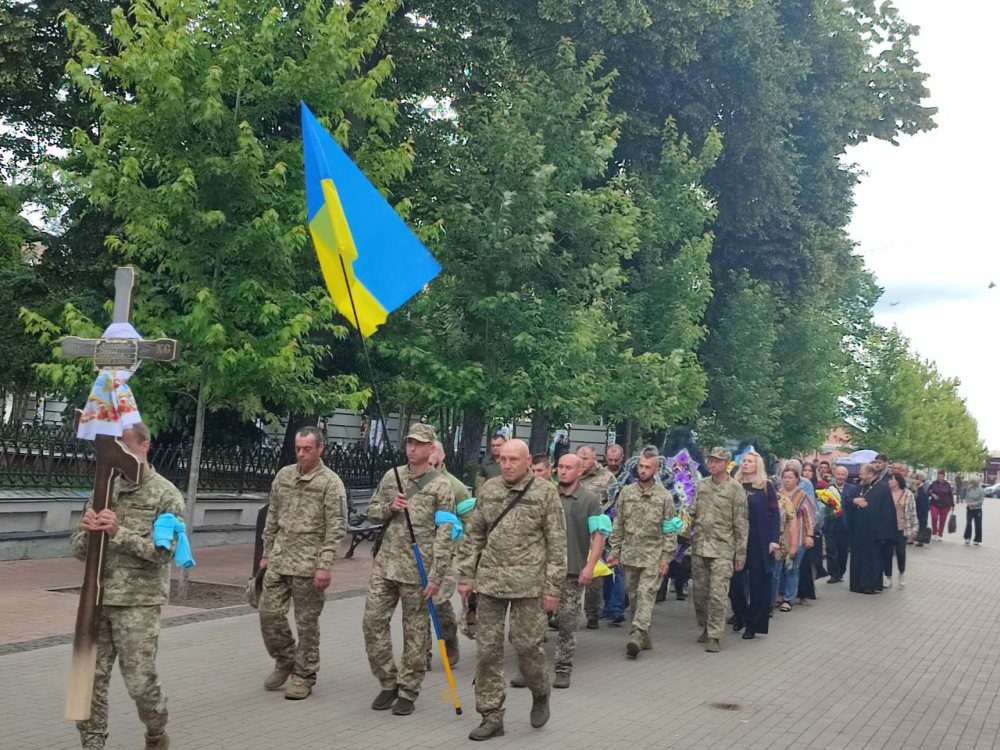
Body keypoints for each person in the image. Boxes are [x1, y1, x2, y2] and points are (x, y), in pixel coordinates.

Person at [70, 423, 184, 750]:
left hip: (138, 603)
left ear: (144, 446)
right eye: (113, 446)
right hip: (96, 600)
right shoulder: (104, 488)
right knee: (89, 681)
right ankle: (92, 744)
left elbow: (165, 553)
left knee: (140, 684)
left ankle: (156, 730)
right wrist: (87, 533)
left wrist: (119, 533)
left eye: (124, 445)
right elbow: (77, 549)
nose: (116, 454)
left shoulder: (166, 495)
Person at [457, 439, 567, 741]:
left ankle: (540, 691)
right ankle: (491, 715)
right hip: (490, 582)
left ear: (528, 461)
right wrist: (465, 575)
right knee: (487, 651)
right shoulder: (489, 489)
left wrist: (553, 587)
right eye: (502, 459)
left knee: (527, 648)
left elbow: (557, 544)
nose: (506, 465)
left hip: (528, 585)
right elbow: (474, 534)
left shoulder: (545, 493)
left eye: (513, 460)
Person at [363, 424, 455, 716]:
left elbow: (445, 533)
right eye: (409, 443)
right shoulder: (392, 476)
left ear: (431, 449)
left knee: (415, 632)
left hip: (418, 569)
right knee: (372, 622)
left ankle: (408, 689)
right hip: (386, 565)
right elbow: (371, 512)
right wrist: (390, 507)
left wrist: (437, 574)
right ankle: (388, 680)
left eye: (419, 444)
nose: (412, 448)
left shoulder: (441, 486)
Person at [259, 426, 347, 700]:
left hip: (309, 564)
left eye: (307, 449)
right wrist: (266, 553)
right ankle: (286, 658)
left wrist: (325, 565)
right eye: (298, 448)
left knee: (306, 623)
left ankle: (304, 676)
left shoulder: (330, 483)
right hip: (279, 559)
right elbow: (272, 516)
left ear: (320, 448)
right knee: (268, 613)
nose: (301, 454)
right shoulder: (284, 476)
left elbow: (336, 527)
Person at [514, 453, 606, 687]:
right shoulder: (547, 495)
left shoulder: (590, 500)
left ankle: (563, 668)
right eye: (561, 467)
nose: (563, 471)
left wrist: (590, 566)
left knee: (567, 622)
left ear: (580, 471)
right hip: (541, 570)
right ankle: (529, 669)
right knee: (533, 623)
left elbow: (599, 535)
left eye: (569, 467)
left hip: (572, 571)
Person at [606, 447, 678, 658]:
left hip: (653, 556)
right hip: (630, 555)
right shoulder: (627, 493)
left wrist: (666, 557)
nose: (643, 470)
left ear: (656, 470)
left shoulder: (664, 497)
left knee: (646, 594)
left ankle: (637, 635)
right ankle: (643, 636)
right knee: (634, 597)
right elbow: (618, 523)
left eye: (647, 467)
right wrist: (615, 550)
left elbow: (670, 529)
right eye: (641, 466)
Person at [690, 447, 748, 652]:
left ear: (726, 464)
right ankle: (706, 625)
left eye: (716, 461)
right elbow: (692, 512)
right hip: (700, 547)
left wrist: (740, 554)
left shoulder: (735, 489)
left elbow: (741, 524)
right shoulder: (702, 485)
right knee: (700, 594)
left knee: (718, 594)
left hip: (723, 549)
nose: (712, 464)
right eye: (710, 460)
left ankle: (715, 635)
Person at [425, 440, 470, 667]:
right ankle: (421, 653)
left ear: (441, 456)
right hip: (419, 554)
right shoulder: (411, 482)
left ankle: (449, 639)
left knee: (438, 601)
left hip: (448, 555)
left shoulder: (456, 487)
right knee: (418, 605)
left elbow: (471, 523)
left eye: (432, 451)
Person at [728, 451, 779, 639]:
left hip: (759, 541)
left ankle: (753, 624)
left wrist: (773, 539)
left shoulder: (765, 486)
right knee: (735, 582)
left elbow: (775, 515)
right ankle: (740, 614)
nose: (746, 464)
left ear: (757, 465)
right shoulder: (734, 485)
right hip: (736, 541)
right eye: (744, 461)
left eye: (750, 461)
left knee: (758, 584)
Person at [577, 445, 616, 629]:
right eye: (580, 457)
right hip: (575, 529)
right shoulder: (572, 474)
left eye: (586, 458)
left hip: (597, 533)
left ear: (594, 459)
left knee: (594, 576)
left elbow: (615, 503)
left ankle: (593, 613)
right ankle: (562, 614)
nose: (582, 461)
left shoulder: (607, 477)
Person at [848, 464, 897, 594]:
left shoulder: (883, 489)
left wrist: (882, 532)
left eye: (862, 473)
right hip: (859, 531)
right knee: (858, 557)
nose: (860, 476)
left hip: (874, 532)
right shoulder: (860, 486)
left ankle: (870, 585)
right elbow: (847, 499)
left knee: (872, 559)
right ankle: (857, 584)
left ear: (870, 474)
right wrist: (855, 501)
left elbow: (887, 512)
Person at [775, 466, 812, 611]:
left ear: (797, 479)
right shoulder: (778, 495)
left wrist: (809, 535)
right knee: (779, 568)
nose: (787, 480)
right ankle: (779, 594)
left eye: (790, 477)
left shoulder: (802, 496)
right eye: (785, 477)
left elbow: (809, 517)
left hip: (798, 537)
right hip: (780, 537)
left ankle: (788, 598)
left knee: (792, 568)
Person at [883, 472, 917, 588]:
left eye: (892, 479)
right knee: (887, 553)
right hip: (888, 528)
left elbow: (913, 512)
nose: (889, 481)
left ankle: (901, 573)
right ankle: (888, 576)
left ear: (898, 481)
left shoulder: (908, 494)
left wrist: (914, 528)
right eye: (889, 480)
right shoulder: (886, 493)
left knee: (900, 552)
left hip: (902, 528)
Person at [825, 466, 855, 583]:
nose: (840, 477)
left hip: (845, 525)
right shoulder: (828, 488)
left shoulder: (852, 489)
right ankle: (833, 574)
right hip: (831, 524)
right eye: (838, 474)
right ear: (834, 475)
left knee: (843, 551)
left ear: (846, 476)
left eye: (842, 475)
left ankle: (841, 572)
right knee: (831, 550)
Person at [928, 470, 954, 541]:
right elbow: (928, 491)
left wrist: (952, 504)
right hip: (934, 504)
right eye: (939, 476)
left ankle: (940, 534)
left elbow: (951, 495)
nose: (940, 478)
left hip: (945, 505)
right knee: (934, 517)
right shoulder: (934, 483)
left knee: (942, 520)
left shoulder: (947, 484)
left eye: (941, 476)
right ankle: (934, 533)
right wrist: (932, 494)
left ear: (944, 477)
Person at [964, 475, 985, 545]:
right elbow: (966, 497)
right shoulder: (969, 488)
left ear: (977, 482)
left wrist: (972, 504)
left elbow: (980, 501)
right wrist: (968, 503)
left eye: (974, 482)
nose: (972, 483)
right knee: (968, 523)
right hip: (969, 509)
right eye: (972, 482)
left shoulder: (981, 490)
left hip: (977, 509)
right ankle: (967, 538)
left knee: (978, 524)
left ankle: (977, 540)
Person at [914, 472, 930, 546]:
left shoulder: (925, 487)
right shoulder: (914, 487)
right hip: (916, 507)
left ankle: (921, 539)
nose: (919, 478)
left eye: (921, 477)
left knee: (922, 522)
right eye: (918, 477)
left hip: (922, 507)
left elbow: (925, 498)